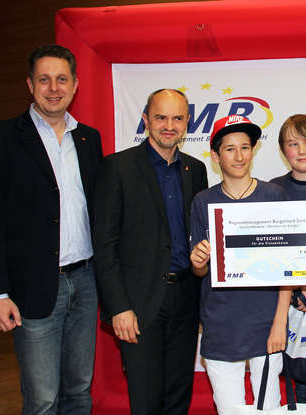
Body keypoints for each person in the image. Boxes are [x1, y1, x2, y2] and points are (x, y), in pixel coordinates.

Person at [0, 44, 103, 414]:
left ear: (75, 85)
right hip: (32, 286)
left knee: (79, 390)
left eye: (62, 79)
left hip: (85, 281)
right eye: (44, 79)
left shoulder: (89, 138)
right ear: (29, 84)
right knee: (42, 399)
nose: (54, 88)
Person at [93, 89, 208, 414]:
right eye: (160, 117)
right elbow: (104, 245)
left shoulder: (195, 170)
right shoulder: (117, 167)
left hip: (185, 300)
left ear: (187, 122)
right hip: (139, 304)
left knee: (178, 395)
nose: (168, 125)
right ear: (146, 120)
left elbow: (199, 237)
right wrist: (118, 308)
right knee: (146, 399)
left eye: (177, 118)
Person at [189, 114, 292, 415]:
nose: (239, 156)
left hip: (266, 324)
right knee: (230, 410)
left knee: (270, 409)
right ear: (215, 156)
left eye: (245, 147)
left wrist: (280, 323)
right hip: (221, 325)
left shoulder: (274, 196)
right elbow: (200, 271)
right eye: (230, 148)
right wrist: (198, 263)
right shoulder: (203, 201)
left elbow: (288, 267)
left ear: (254, 150)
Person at [270, 114, 306, 407]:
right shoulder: (272, 191)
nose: (302, 151)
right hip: (292, 304)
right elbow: (270, 250)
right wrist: (300, 288)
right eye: (293, 144)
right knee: (304, 389)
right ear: (283, 151)